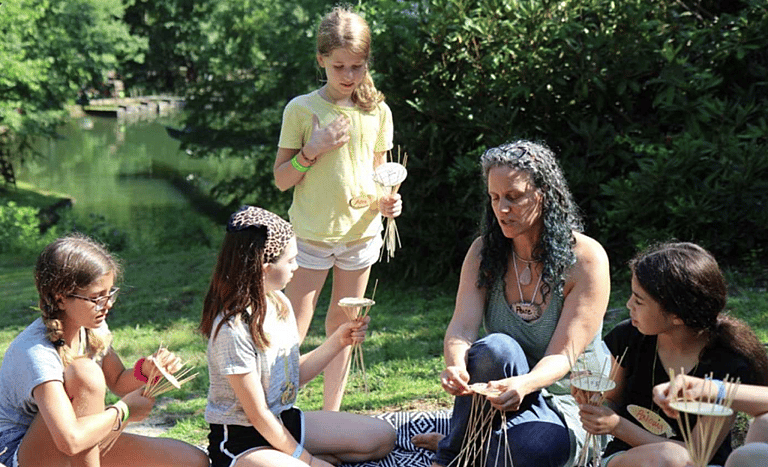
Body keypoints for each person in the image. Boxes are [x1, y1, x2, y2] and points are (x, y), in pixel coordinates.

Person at [412, 140, 612, 467]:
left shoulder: (585, 260)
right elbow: (462, 328)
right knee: (496, 349)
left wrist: (525, 383)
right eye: (494, 198)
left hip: (567, 404)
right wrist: (456, 365)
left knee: (520, 452)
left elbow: (563, 356)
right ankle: (452, 455)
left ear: (543, 194)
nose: (502, 208)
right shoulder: (484, 252)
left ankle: (469, 445)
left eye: (514, 197)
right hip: (503, 396)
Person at [273, 6, 403, 411]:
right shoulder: (301, 109)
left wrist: (388, 202)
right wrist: (313, 149)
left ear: (368, 64)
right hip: (310, 237)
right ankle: (279, 411)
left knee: (345, 327)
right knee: (293, 329)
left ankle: (331, 415)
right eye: (339, 67)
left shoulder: (378, 112)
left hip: (361, 237)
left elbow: (379, 173)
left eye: (357, 67)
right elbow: (281, 178)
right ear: (321, 61)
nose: (348, 76)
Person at [199, 206, 395, 467]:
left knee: (382, 437)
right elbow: (257, 415)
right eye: (290, 260)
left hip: (283, 421)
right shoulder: (231, 329)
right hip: (242, 440)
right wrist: (310, 461)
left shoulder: (279, 302)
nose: (297, 266)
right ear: (265, 267)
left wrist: (339, 340)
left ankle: (287, 456)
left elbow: (291, 377)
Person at [0, 233, 209, 467]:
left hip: (77, 444)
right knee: (84, 372)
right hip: (23, 456)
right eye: (96, 298)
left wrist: (146, 370)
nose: (107, 304)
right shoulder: (36, 352)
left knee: (193, 461)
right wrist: (123, 411)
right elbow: (69, 440)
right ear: (60, 299)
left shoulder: (91, 326)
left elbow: (118, 381)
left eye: (110, 293)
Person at [575, 242, 768, 467]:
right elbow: (613, 401)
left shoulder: (728, 363)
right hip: (626, 457)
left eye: (639, 300)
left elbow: (697, 455)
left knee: (670, 457)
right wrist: (596, 407)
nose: (628, 305)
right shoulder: (629, 337)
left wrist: (617, 426)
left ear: (677, 315)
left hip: (699, 462)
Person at [654, 371, 768, 466]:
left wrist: (717, 390)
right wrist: (715, 389)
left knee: (750, 455)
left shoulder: (731, 363)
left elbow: (694, 454)